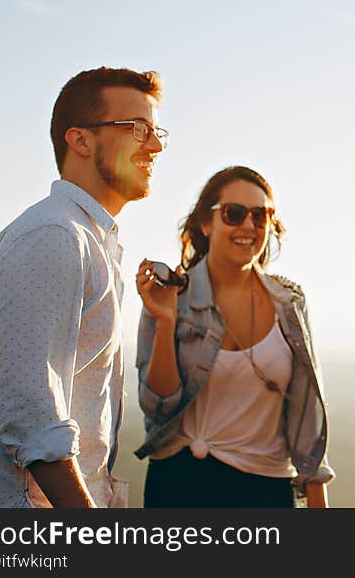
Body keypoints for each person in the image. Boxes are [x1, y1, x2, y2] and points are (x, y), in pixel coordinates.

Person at [0, 67, 166, 507]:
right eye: (137, 128)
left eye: (156, 130)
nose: (155, 144)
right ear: (81, 140)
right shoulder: (54, 235)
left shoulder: (90, 240)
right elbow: (35, 421)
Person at [134, 166, 334, 508]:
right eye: (234, 214)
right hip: (178, 486)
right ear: (205, 223)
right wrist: (165, 322)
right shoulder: (170, 295)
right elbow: (158, 406)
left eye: (260, 215)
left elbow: (307, 421)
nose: (248, 226)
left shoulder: (290, 303)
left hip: (266, 491)